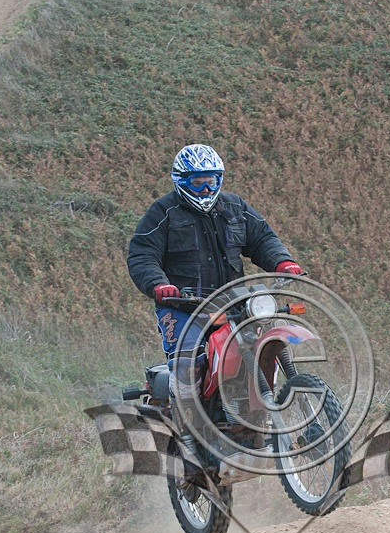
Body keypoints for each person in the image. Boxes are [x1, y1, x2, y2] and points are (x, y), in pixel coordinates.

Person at [127, 143, 304, 480]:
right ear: (181, 181)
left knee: (265, 336)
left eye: (212, 181)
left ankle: (254, 416)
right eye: (198, 183)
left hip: (232, 300)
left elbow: (262, 238)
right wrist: (158, 284)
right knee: (189, 359)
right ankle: (190, 443)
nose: (207, 189)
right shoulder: (163, 213)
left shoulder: (234, 207)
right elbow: (142, 255)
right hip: (182, 306)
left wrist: (282, 260)